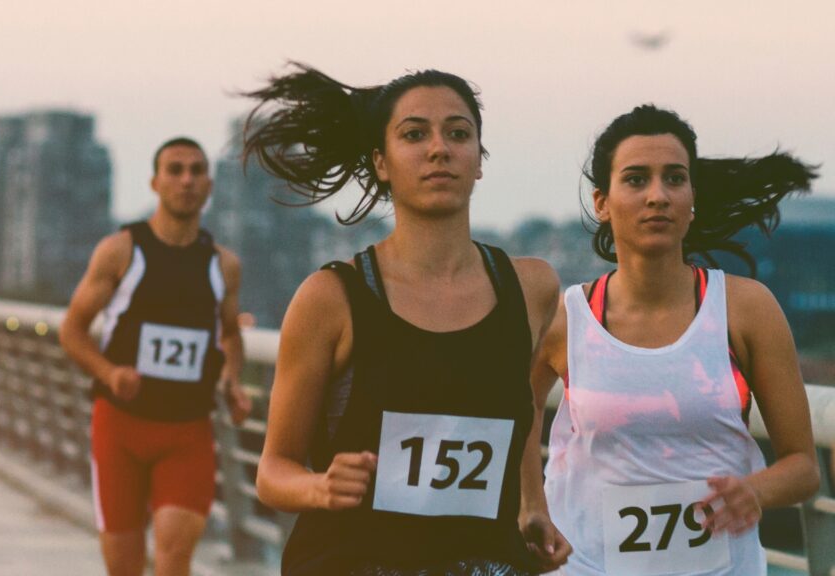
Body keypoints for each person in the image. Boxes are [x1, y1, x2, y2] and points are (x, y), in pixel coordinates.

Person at [244, 63, 571, 575]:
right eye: (414, 134)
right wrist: (319, 486)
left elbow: (522, 405)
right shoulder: (332, 298)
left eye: (458, 134)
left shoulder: (532, 288)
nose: (439, 149)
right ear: (381, 162)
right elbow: (272, 471)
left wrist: (533, 505)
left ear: (478, 161)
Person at [527, 105, 821, 575]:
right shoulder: (567, 318)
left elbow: (803, 467)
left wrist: (754, 491)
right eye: (636, 179)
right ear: (602, 202)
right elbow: (515, 412)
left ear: (692, 197)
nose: (658, 196)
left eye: (674, 179)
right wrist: (530, 503)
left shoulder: (746, 309)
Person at [59, 137, 252, 576]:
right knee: (124, 566)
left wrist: (232, 381)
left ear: (209, 185)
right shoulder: (121, 252)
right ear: (155, 182)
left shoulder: (223, 266)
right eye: (175, 170)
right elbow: (72, 331)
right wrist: (110, 372)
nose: (187, 180)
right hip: (121, 427)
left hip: (187, 431)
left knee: (174, 558)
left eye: (197, 171)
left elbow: (229, 334)